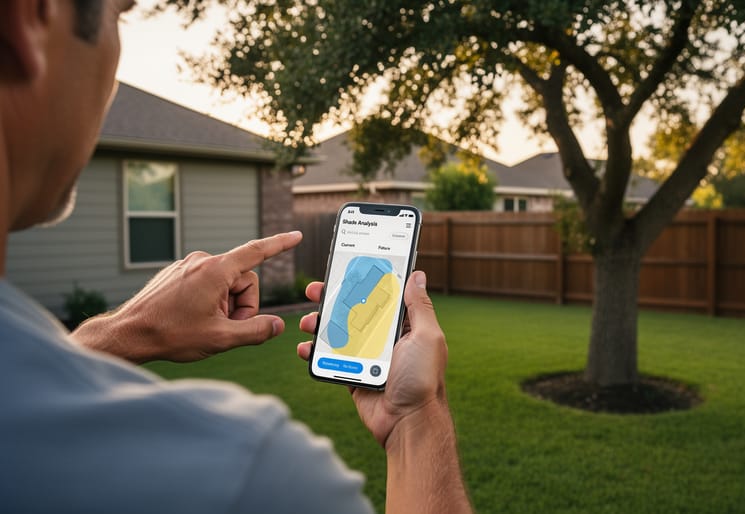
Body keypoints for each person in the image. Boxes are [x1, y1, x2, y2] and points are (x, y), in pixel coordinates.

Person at [0, 1, 473, 513]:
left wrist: (124, 332)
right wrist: (415, 419)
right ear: (31, 16)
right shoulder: (248, 477)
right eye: (120, 16)